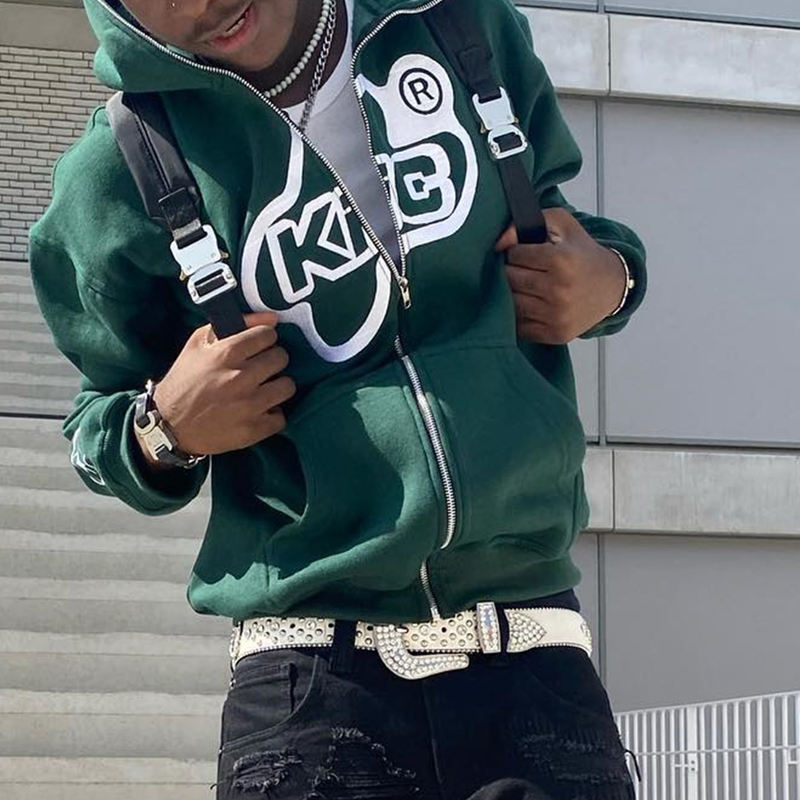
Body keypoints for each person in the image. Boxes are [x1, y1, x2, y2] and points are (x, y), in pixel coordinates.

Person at [29, 0, 647, 798]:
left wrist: (614, 279)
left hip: (533, 655)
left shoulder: (458, 25)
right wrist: (163, 429)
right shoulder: (116, 168)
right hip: (311, 686)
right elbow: (96, 423)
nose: (200, 3)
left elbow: (565, 227)